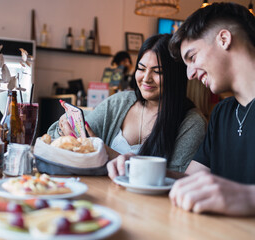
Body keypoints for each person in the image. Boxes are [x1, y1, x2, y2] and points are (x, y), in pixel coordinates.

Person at [48, 34, 207, 173]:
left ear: (176, 76)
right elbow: (57, 133)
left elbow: (176, 179)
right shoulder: (121, 102)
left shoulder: (192, 123)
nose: (146, 78)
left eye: (157, 71)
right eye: (141, 68)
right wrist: (65, 127)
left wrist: (106, 152)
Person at [165, 2, 255, 216]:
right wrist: (139, 167)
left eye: (192, 57)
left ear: (224, 39)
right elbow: (192, 180)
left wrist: (247, 197)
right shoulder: (222, 112)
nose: (189, 75)